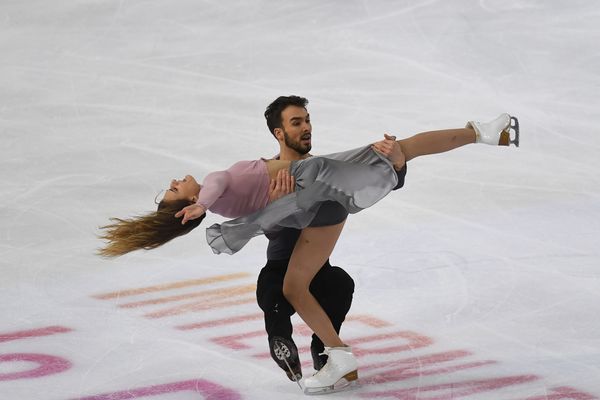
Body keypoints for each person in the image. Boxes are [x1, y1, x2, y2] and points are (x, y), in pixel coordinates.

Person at [99, 97, 519, 393]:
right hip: (316, 192)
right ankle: (334, 353)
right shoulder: (215, 185)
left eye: (306, 120)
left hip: (315, 192)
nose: (175, 181)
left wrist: (278, 197)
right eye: (175, 191)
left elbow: (257, 186)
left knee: (395, 150)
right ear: (189, 202)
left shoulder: (237, 188)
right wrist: (203, 205)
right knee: (289, 286)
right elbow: (219, 184)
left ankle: (481, 132)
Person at [255, 96, 409, 384]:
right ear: (279, 133)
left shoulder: (325, 170)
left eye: (308, 120)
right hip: (281, 265)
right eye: (297, 122)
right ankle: (282, 342)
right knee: (272, 291)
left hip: (315, 267)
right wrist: (276, 206)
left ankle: (322, 348)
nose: (306, 127)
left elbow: (377, 180)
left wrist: (398, 164)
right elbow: (266, 230)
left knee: (339, 284)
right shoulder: (266, 175)